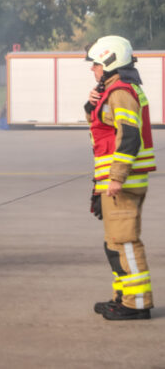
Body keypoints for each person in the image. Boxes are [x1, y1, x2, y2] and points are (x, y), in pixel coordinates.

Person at [85, 36, 156, 320]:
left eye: (96, 64)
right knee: (115, 243)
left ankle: (137, 304)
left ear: (110, 63)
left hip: (123, 183)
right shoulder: (114, 91)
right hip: (116, 182)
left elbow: (129, 136)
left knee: (125, 242)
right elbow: (105, 131)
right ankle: (123, 297)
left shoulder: (121, 93)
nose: (93, 69)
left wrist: (116, 178)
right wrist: (91, 106)